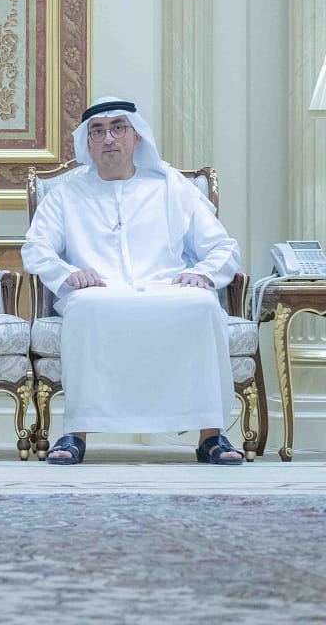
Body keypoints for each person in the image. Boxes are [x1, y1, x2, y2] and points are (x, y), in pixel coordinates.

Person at [22, 98, 243, 465]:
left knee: (203, 304)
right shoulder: (66, 194)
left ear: (136, 136)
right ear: (88, 142)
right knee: (85, 306)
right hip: (99, 292)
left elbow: (223, 246)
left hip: (165, 288)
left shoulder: (172, 188)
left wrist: (204, 273)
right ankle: (76, 432)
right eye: (97, 131)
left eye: (118, 128)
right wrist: (68, 273)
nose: (108, 138)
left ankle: (211, 436)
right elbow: (35, 248)